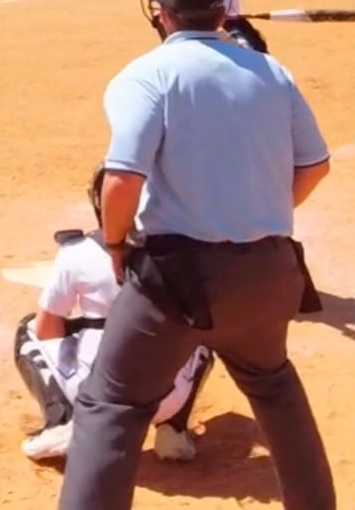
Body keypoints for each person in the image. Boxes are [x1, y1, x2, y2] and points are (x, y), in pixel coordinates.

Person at [56, 0, 334, 510]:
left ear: (161, 13)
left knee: (112, 405)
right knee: (274, 386)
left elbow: (122, 180)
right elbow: (315, 166)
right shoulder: (272, 72)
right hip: (272, 270)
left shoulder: (148, 74)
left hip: (179, 280)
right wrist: (258, 213)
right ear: (221, 13)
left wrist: (116, 244)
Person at [15, 166, 216, 463]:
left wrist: (82, 331)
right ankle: (173, 429)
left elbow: (47, 328)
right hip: (168, 397)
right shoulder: (190, 253)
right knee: (203, 336)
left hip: (95, 397)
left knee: (29, 330)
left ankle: (61, 420)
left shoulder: (77, 253)